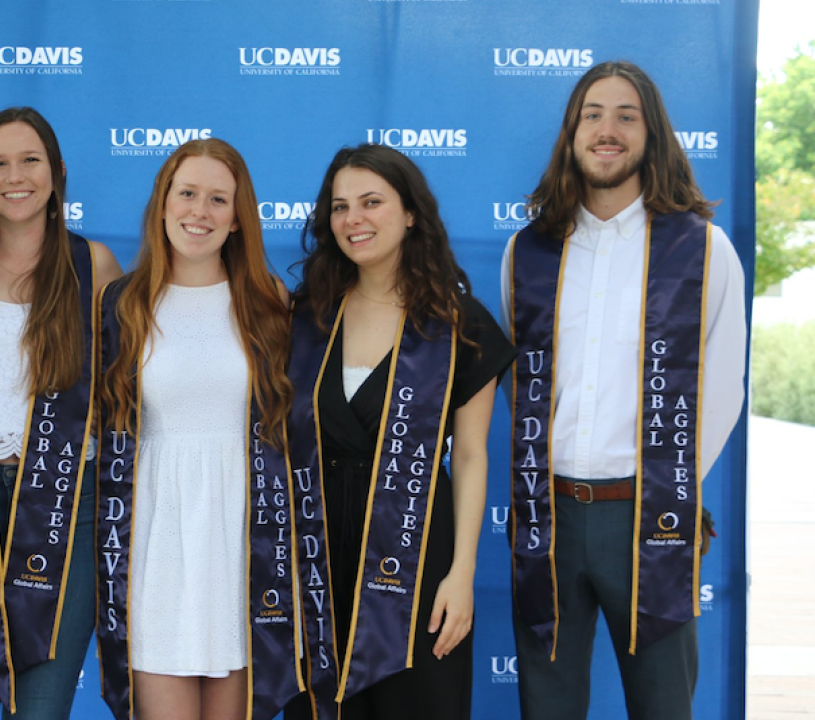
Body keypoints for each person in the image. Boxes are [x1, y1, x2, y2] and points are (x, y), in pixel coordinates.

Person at [501, 60, 747, 720]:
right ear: (572, 133)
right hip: (546, 518)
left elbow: (723, 387)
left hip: (648, 517)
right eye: (593, 114)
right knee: (546, 708)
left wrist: (669, 486)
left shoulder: (703, 250)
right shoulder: (527, 252)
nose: (607, 130)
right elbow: (519, 385)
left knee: (663, 707)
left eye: (626, 115)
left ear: (651, 134)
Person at [284, 144, 514, 720]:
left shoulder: (461, 324)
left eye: (371, 202)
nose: (353, 219)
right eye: (339, 207)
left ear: (411, 213)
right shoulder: (305, 318)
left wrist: (461, 576)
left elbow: (469, 459)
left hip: (415, 556)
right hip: (316, 553)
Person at [0, 106, 122, 720]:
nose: (16, 176)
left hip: (67, 506)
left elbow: (128, 387)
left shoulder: (95, 265)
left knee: (41, 709)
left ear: (58, 173)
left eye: (30, 160)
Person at [95, 138, 302, 720]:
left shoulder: (268, 303)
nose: (199, 212)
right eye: (187, 194)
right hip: (155, 545)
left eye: (218, 199)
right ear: (163, 204)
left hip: (241, 546)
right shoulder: (123, 304)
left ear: (238, 220)